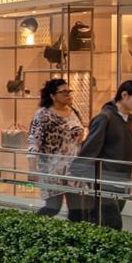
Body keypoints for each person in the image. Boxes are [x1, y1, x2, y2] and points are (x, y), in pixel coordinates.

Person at [69, 79, 132, 229]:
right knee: (112, 223)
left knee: (105, 223)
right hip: (104, 179)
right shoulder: (105, 118)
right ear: (124, 95)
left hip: (122, 179)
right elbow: (90, 147)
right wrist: (77, 170)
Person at [27, 78, 84, 217]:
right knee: (53, 208)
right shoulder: (43, 114)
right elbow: (34, 141)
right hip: (51, 169)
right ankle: (30, 224)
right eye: (63, 92)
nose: (68, 94)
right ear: (52, 96)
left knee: (77, 210)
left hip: (73, 169)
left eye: (69, 91)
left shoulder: (74, 112)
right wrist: (32, 169)